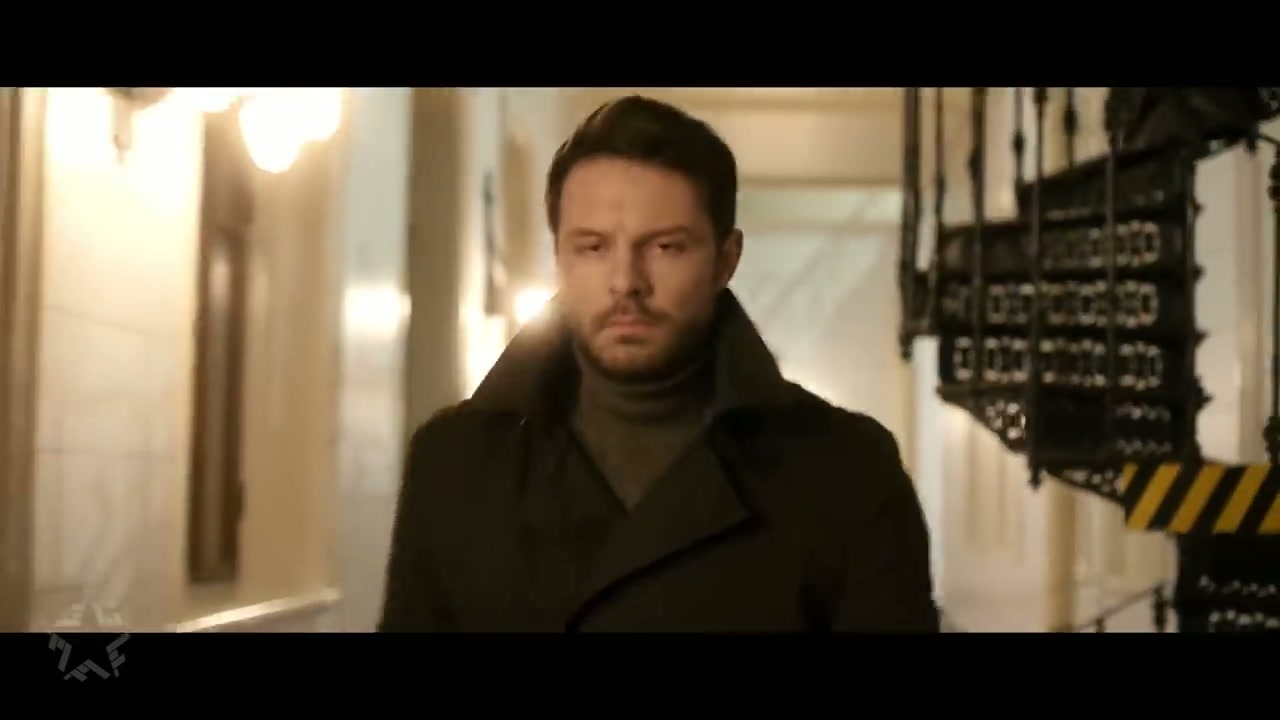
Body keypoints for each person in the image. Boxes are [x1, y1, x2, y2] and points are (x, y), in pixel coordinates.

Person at [378, 95, 938, 632]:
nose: (626, 282)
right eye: (593, 247)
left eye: (666, 246)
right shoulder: (453, 464)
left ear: (725, 261)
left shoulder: (845, 472)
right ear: (560, 258)